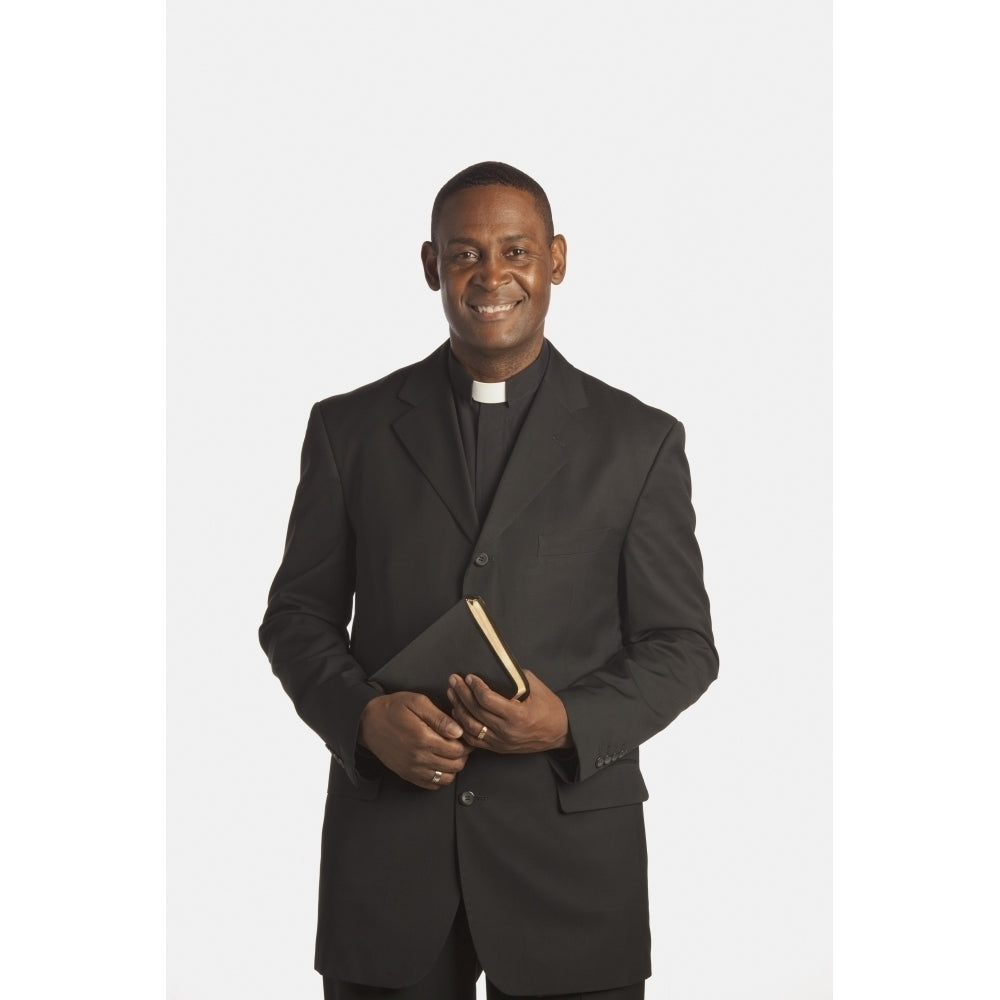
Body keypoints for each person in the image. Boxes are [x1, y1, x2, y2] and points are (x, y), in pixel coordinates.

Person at [259, 161, 719, 1000]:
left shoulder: (639, 441)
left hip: (571, 868)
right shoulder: (347, 429)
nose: (492, 275)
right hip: (388, 860)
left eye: (516, 250)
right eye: (465, 254)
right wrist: (362, 721)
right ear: (432, 266)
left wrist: (568, 722)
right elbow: (295, 617)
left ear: (558, 259)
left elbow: (683, 645)